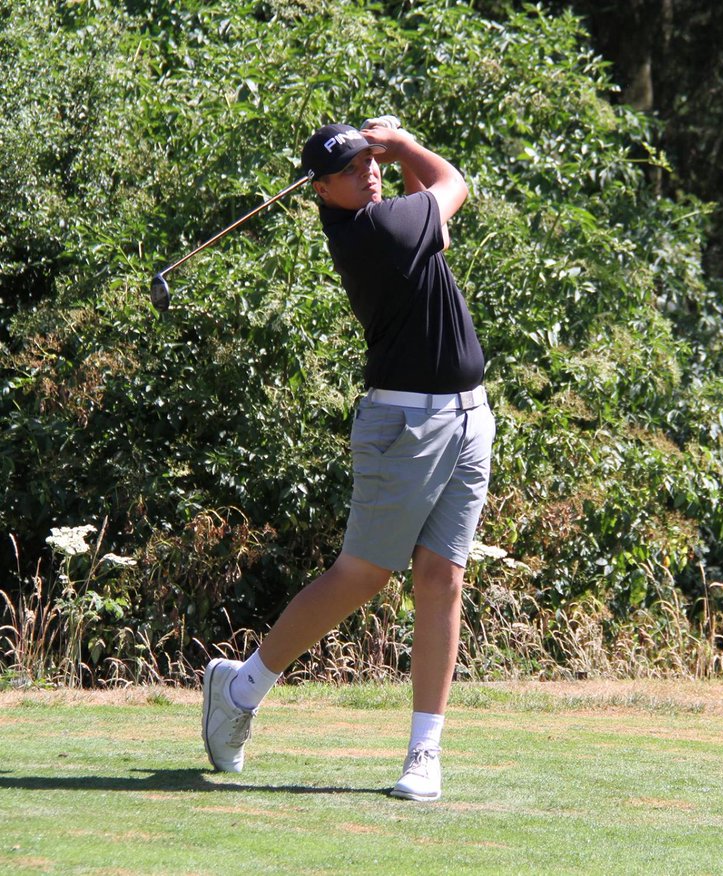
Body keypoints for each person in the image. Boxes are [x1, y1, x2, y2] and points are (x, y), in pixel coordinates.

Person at [200, 117, 495, 803]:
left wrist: (395, 158)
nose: (368, 172)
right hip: (406, 425)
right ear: (321, 189)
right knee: (363, 575)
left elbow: (439, 228)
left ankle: (424, 753)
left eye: (370, 162)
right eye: (352, 169)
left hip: (468, 418)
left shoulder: (392, 223)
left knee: (442, 578)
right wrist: (405, 144)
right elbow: (454, 185)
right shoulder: (371, 232)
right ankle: (241, 689)